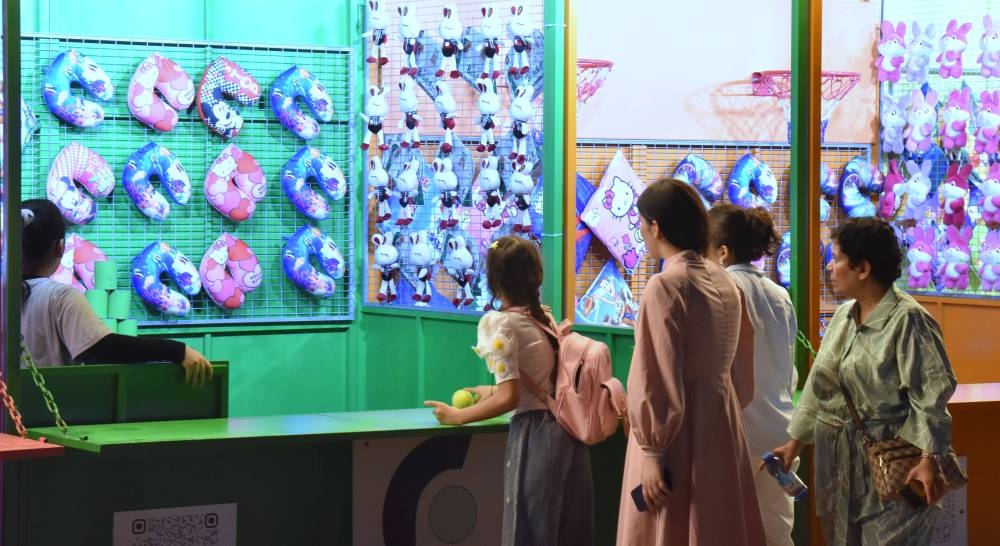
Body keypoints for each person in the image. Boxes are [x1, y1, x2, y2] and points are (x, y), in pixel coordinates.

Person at [769, 217, 957, 545]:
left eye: (837, 258)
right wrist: (795, 442)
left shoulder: (908, 320)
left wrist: (929, 460)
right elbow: (820, 385)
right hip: (839, 468)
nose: (830, 267)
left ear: (863, 268)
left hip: (894, 468)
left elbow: (931, 397)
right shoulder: (844, 316)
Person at [617, 179, 765, 546]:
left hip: (675, 433)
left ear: (655, 227)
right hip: (722, 421)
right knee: (716, 523)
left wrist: (652, 450)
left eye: (641, 224)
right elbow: (743, 365)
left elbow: (655, 371)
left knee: (670, 524)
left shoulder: (666, 285)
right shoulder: (726, 282)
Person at [424, 235, 593, 546]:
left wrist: (457, 416)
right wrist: (484, 391)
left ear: (494, 280)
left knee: (529, 530)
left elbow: (510, 397)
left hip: (536, 436)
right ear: (536, 275)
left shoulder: (500, 324)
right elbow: (534, 383)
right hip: (566, 430)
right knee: (567, 531)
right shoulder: (543, 317)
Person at [19, 199, 213, 386]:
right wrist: (178, 351)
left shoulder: (9, 291)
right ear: (61, 247)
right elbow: (103, 348)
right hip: (44, 401)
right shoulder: (59, 296)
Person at [707, 204, 798, 546]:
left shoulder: (720, 290)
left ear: (722, 251)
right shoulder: (780, 294)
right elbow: (788, 366)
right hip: (780, 428)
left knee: (729, 530)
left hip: (736, 429)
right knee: (776, 530)